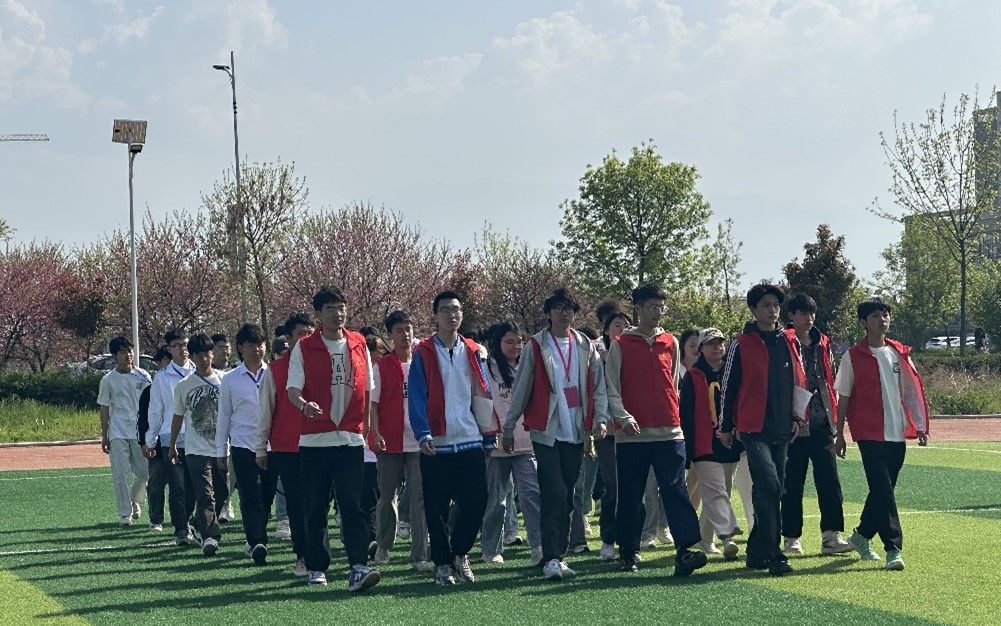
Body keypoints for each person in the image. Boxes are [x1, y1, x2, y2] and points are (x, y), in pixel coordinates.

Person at [504, 287, 609, 580]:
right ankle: (550, 556)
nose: (564, 313)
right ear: (548, 313)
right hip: (546, 431)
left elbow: (598, 386)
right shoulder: (536, 345)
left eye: (569, 308)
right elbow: (522, 387)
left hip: (576, 431)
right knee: (554, 491)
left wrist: (600, 419)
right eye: (558, 308)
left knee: (568, 495)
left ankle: (557, 555)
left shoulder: (585, 345)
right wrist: (509, 426)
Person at [606, 284, 706, 577]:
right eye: (652, 306)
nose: (658, 312)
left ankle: (686, 550)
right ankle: (628, 551)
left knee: (676, 491)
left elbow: (672, 383)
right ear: (638, 308)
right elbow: (611, 387)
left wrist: (674, 418)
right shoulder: (621, 344)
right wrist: (622, 417)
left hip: (669, 432)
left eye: (662, 307)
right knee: (631, 496)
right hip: (631, 436)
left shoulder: (670, 341)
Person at [286, 286, 380, 591]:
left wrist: (366, 429)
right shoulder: (304, 347)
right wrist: (304, 405)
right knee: (315, 506)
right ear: (318, 314)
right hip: (315, 441)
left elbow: (367, 390)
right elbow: (292, 389)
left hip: (350, 440)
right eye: (330, 309)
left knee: (353, 505)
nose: (338, 314)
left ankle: (358, 566)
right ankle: (316, 565)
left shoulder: (358, 343)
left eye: (341, 307)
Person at [835, 297, 930, 571]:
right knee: (882, 489)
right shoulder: (852, 356)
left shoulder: (898, 353)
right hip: (868, 433)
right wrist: (839, 433)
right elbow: (843, 396)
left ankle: (862, 535)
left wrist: (920, 425)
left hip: (896, 432)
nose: (882, 319)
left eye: (885, 314)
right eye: (876, 315)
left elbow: (910, 392)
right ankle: (893, 548)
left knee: (883, 491)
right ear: (863, 322)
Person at [720, 283, 808, 576]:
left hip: (782, 426)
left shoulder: (790, 341)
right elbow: (729, 386)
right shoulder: (740, 343)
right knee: (769, 485)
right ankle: (774, 553)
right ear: (753, 309)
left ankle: (757, 551)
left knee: (773, 489)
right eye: (766, 305)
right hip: (752, 428)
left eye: (775, 305)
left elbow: (800, 381)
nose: (772, 311)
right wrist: (725, 426)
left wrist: (798, 417)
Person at [409, 290, 496, 586]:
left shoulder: (473, 350)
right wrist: (422, 432)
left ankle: (460, 552)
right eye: (445, 309)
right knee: (436, 508)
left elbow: (483, 393)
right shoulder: (423, 351)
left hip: (470, 438)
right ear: (435, 315)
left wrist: (488, 433)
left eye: (456, 309)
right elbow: (417, 395)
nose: (451, 315)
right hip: (437, 442)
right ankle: (443, 564)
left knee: (477, 501)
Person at [781, 294, 853, 556]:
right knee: (792, 484)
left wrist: (836, 424)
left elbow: (830, 378)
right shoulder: (782, 341)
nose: (808, 318)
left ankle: (831, 537)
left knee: (829, 482)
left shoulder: (822, 341)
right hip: (794, 425)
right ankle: (791, 538)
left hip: (822, 422)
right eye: (802, 313)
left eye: (811, 313)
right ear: (791, 316)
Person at [369, 310, 431, 573]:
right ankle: (384, 545)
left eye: (408, 329)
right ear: (390, 335)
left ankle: (420, 554)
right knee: (387, 497)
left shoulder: (424, 362)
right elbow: (372, 405)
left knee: (420, 498)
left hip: (419, 441)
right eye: (399, 330)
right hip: (390, 441)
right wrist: (375, 433)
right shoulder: (382, 366)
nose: (405, 335)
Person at [257, 312, 314, 577]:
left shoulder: (326, 364)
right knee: (296, 504)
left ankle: (317, 550)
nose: (306, 338)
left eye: (309, 333)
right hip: (287, 447)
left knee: (318, 503)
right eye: (300, 334)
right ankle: (303, 554)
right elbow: (265, 411)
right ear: (288, 339)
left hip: (322, 444)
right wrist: (261, 447)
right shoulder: (276, 370)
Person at [481, 322, 543, 566]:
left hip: (526, 442)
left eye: (519, 342)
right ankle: (491, 549)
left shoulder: (529, 365)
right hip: (496, 444)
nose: (516, 346)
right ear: (497, 343)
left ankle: (538, 546)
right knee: (496, 500)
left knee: (531, 494)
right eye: (509, 342)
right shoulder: (487, 368)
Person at [679, 328, 743, 561]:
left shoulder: (733, 371)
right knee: (716, 491)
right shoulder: (693, 375)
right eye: (711, 343)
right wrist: (687, 450)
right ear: (701, 348)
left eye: (720, 343)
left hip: (731, 442)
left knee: (718, 492)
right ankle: (728, 537)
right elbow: (686, 414)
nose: (717, 347)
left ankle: (704, 540)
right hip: (703, 444)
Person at [168, 332, 229, 556]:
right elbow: (177, 416)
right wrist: (173, 444)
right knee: (205, 494)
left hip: (221, 447)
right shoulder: (184, 385)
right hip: (195, 448)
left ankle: (197, 523)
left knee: (221, 492)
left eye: (207, 354)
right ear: (192, 357)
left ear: (213, 354)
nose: (204, 359)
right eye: (199, 355)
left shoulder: (225, 380)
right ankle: (211, 536)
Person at [216, 323, 270, 565]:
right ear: (240, 348)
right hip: (242, 445)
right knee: (250, 494)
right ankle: (256, 541)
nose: (256, 350)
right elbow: (224, 416)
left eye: (260, 344)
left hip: (270, 446)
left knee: (266, 495)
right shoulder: (230, 379)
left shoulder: (273, 373)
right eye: (250, 345)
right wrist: (221, 450)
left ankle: (256, 536)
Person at [145, 328, 196, 545]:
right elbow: (155, 410)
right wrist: (150, 440)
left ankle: (192, 522)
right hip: (170, 438)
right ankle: (181, 529)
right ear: (169, 349)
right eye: (177, 346)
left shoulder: (199, 372)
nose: (182, 349)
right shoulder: (162, 378)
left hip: (198, 438)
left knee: (195, 487)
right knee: (177, 487)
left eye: (185, 344)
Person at [98, 336, 152, 526]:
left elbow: (152, 403)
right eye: (122, 352)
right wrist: (105, 435)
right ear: (114, 356)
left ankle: (134, 498)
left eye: (130, 351)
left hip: (140, 432)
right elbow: (104, 407)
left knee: (145, 472)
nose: (128, 355)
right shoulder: (108, 380)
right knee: (120, 473)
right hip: (118, 432)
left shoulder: (144, 376)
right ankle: (124, 513)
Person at [595, 310, 630, 561]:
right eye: (617, 325)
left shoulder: (635, 354)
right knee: (613, 487)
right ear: (607, 330)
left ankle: (630, 542)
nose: (622, 329)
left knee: (633, 489)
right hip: (607, 430)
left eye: (627, 325)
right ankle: (608, 539)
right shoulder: (597, 356)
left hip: (632, 430)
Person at [139, 345, 171, 532]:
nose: (170, 364)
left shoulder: (183, 385)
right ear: (158, 363)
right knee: (156, 483)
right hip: (157, 446)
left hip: (180, 443)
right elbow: (143, 420)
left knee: (181, 485)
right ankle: (156, 518)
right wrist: (144, 442)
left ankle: (183, 520)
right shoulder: (149, 391)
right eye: (166, 360)